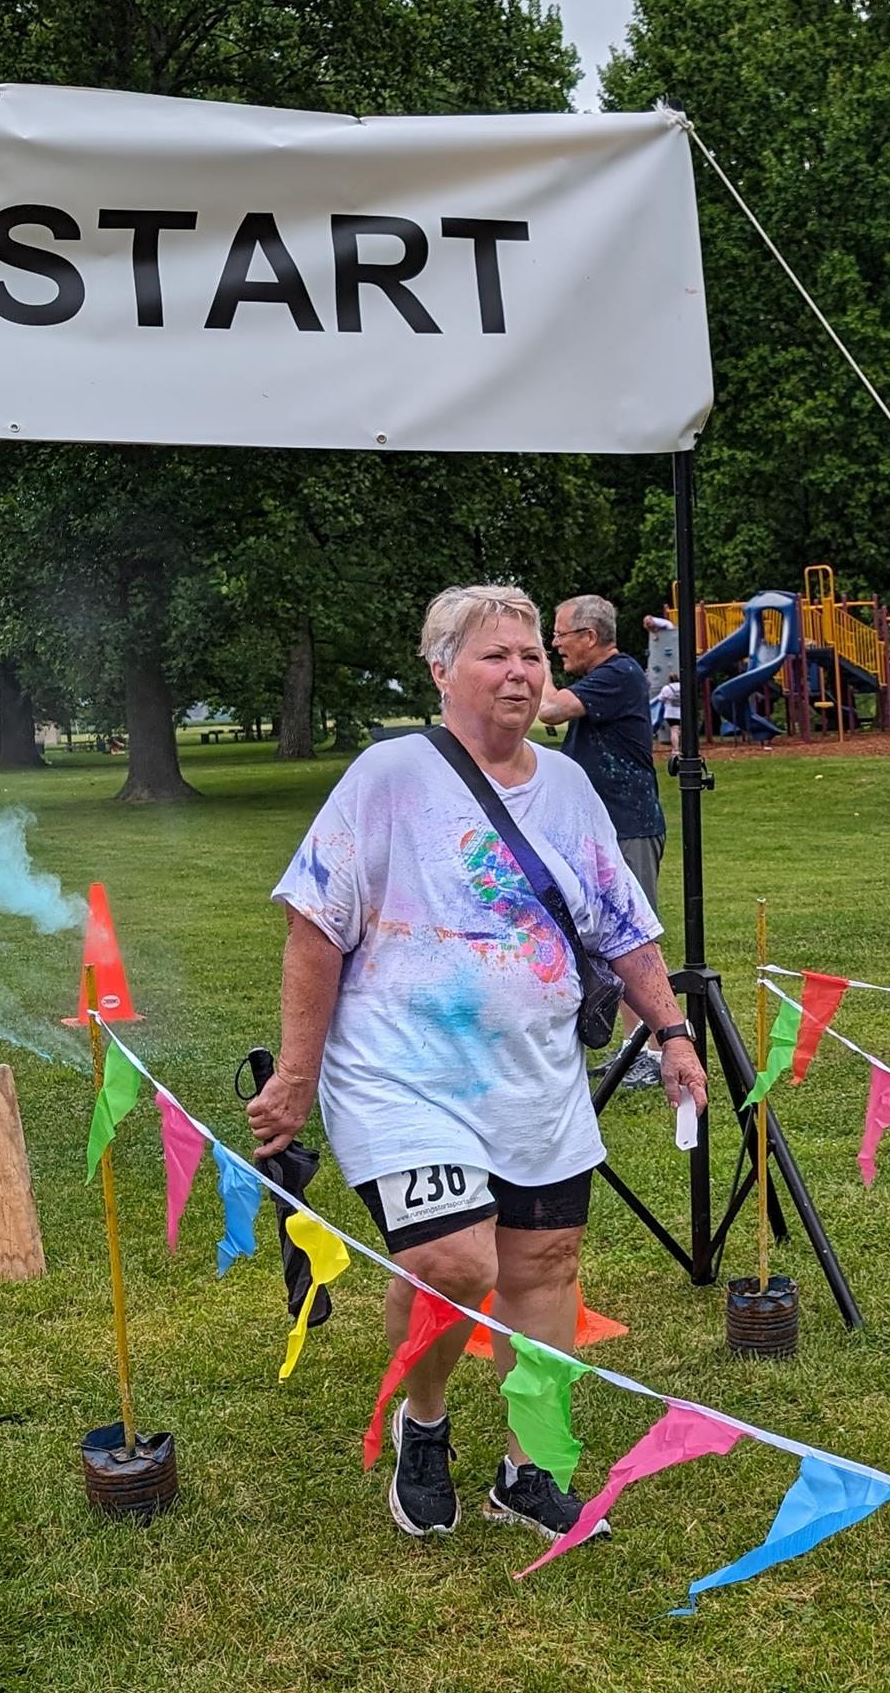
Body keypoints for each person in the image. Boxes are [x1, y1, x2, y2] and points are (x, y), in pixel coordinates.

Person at [248, 584, 707, 1544]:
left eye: (532, 656)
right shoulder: (389, 775)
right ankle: (423, 1426)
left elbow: (622, 928)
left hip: (534, 1077)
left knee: (545, 1265)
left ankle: (527, 1469)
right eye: (496, 656)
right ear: (441, 670)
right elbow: (314, 927)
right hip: (401, 1075)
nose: (520, 673)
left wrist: (669, 1031)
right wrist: (294, 1075)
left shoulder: (569, 788)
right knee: (452, 1262)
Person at [542, 594, 667, 1089]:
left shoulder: (620, 674)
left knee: (633, 937)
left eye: (558, 636)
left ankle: (655, 1053)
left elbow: (550, 709)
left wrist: (531, 657)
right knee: (606, 938)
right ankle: (633, 1051)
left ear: (589, 636)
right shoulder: (602, 681)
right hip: (599, 831)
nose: (554, 645)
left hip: (628, 826)